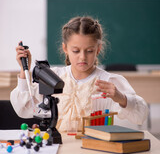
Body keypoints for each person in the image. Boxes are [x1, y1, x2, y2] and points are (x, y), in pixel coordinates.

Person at [10, 16, 149, 132]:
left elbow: (141, 116)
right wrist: (24, 71)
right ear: (65, 48)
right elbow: (23, 109)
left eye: (89, 51)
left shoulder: (108, 81)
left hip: (94, 149)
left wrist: (122, 98)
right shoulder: (53, 77)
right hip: (57, 149)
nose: (82, 57)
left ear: (98, 49)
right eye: (76, 51)